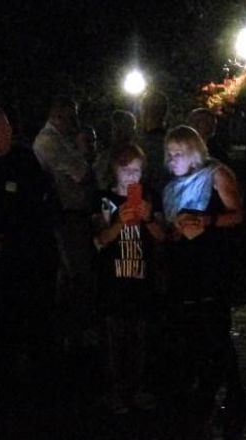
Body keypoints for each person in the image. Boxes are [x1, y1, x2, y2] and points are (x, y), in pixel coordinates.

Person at [0, 106, 60, 404]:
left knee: (34, 324)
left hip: (28, 259)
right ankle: (6, 388)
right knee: (2, 328)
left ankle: (40, 387)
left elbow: (36, 208)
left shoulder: (25, 161)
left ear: (7, 129)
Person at [160, 124, 245, 433]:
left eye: (178, 154)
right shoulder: (171, 188)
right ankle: (205, 387)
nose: (172, 161)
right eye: (169, 155)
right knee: (194, 327)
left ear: (193, 152)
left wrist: (207, 220)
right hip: (184, 265)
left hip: (212, 263)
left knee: (215, 327)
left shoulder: (216, 175)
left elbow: (237, 215)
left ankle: (231, 392)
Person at [92, 142, 165, 413]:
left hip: (141, 282)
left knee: (140, 342)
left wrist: (148, 218)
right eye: (126, 171)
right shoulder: (102, 199)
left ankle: (137, 390)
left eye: (136, 171)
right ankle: (115, 393)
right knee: (113, 342)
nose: (132, 177)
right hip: (112, 283)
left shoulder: (150, 197)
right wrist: (120, 221)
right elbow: (99, 239)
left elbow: (162, 237)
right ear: (115, 171)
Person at [33, 96, 97, 349]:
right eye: (72, 117)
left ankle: (71, 331)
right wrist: (83, 151)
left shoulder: (59, 141)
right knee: (76, 274)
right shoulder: (50, 142)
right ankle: (73, 332)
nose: (76, 123)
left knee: (73, 275)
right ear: (59, 116)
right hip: (68, 216)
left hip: (72, 214)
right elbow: (82, 173)